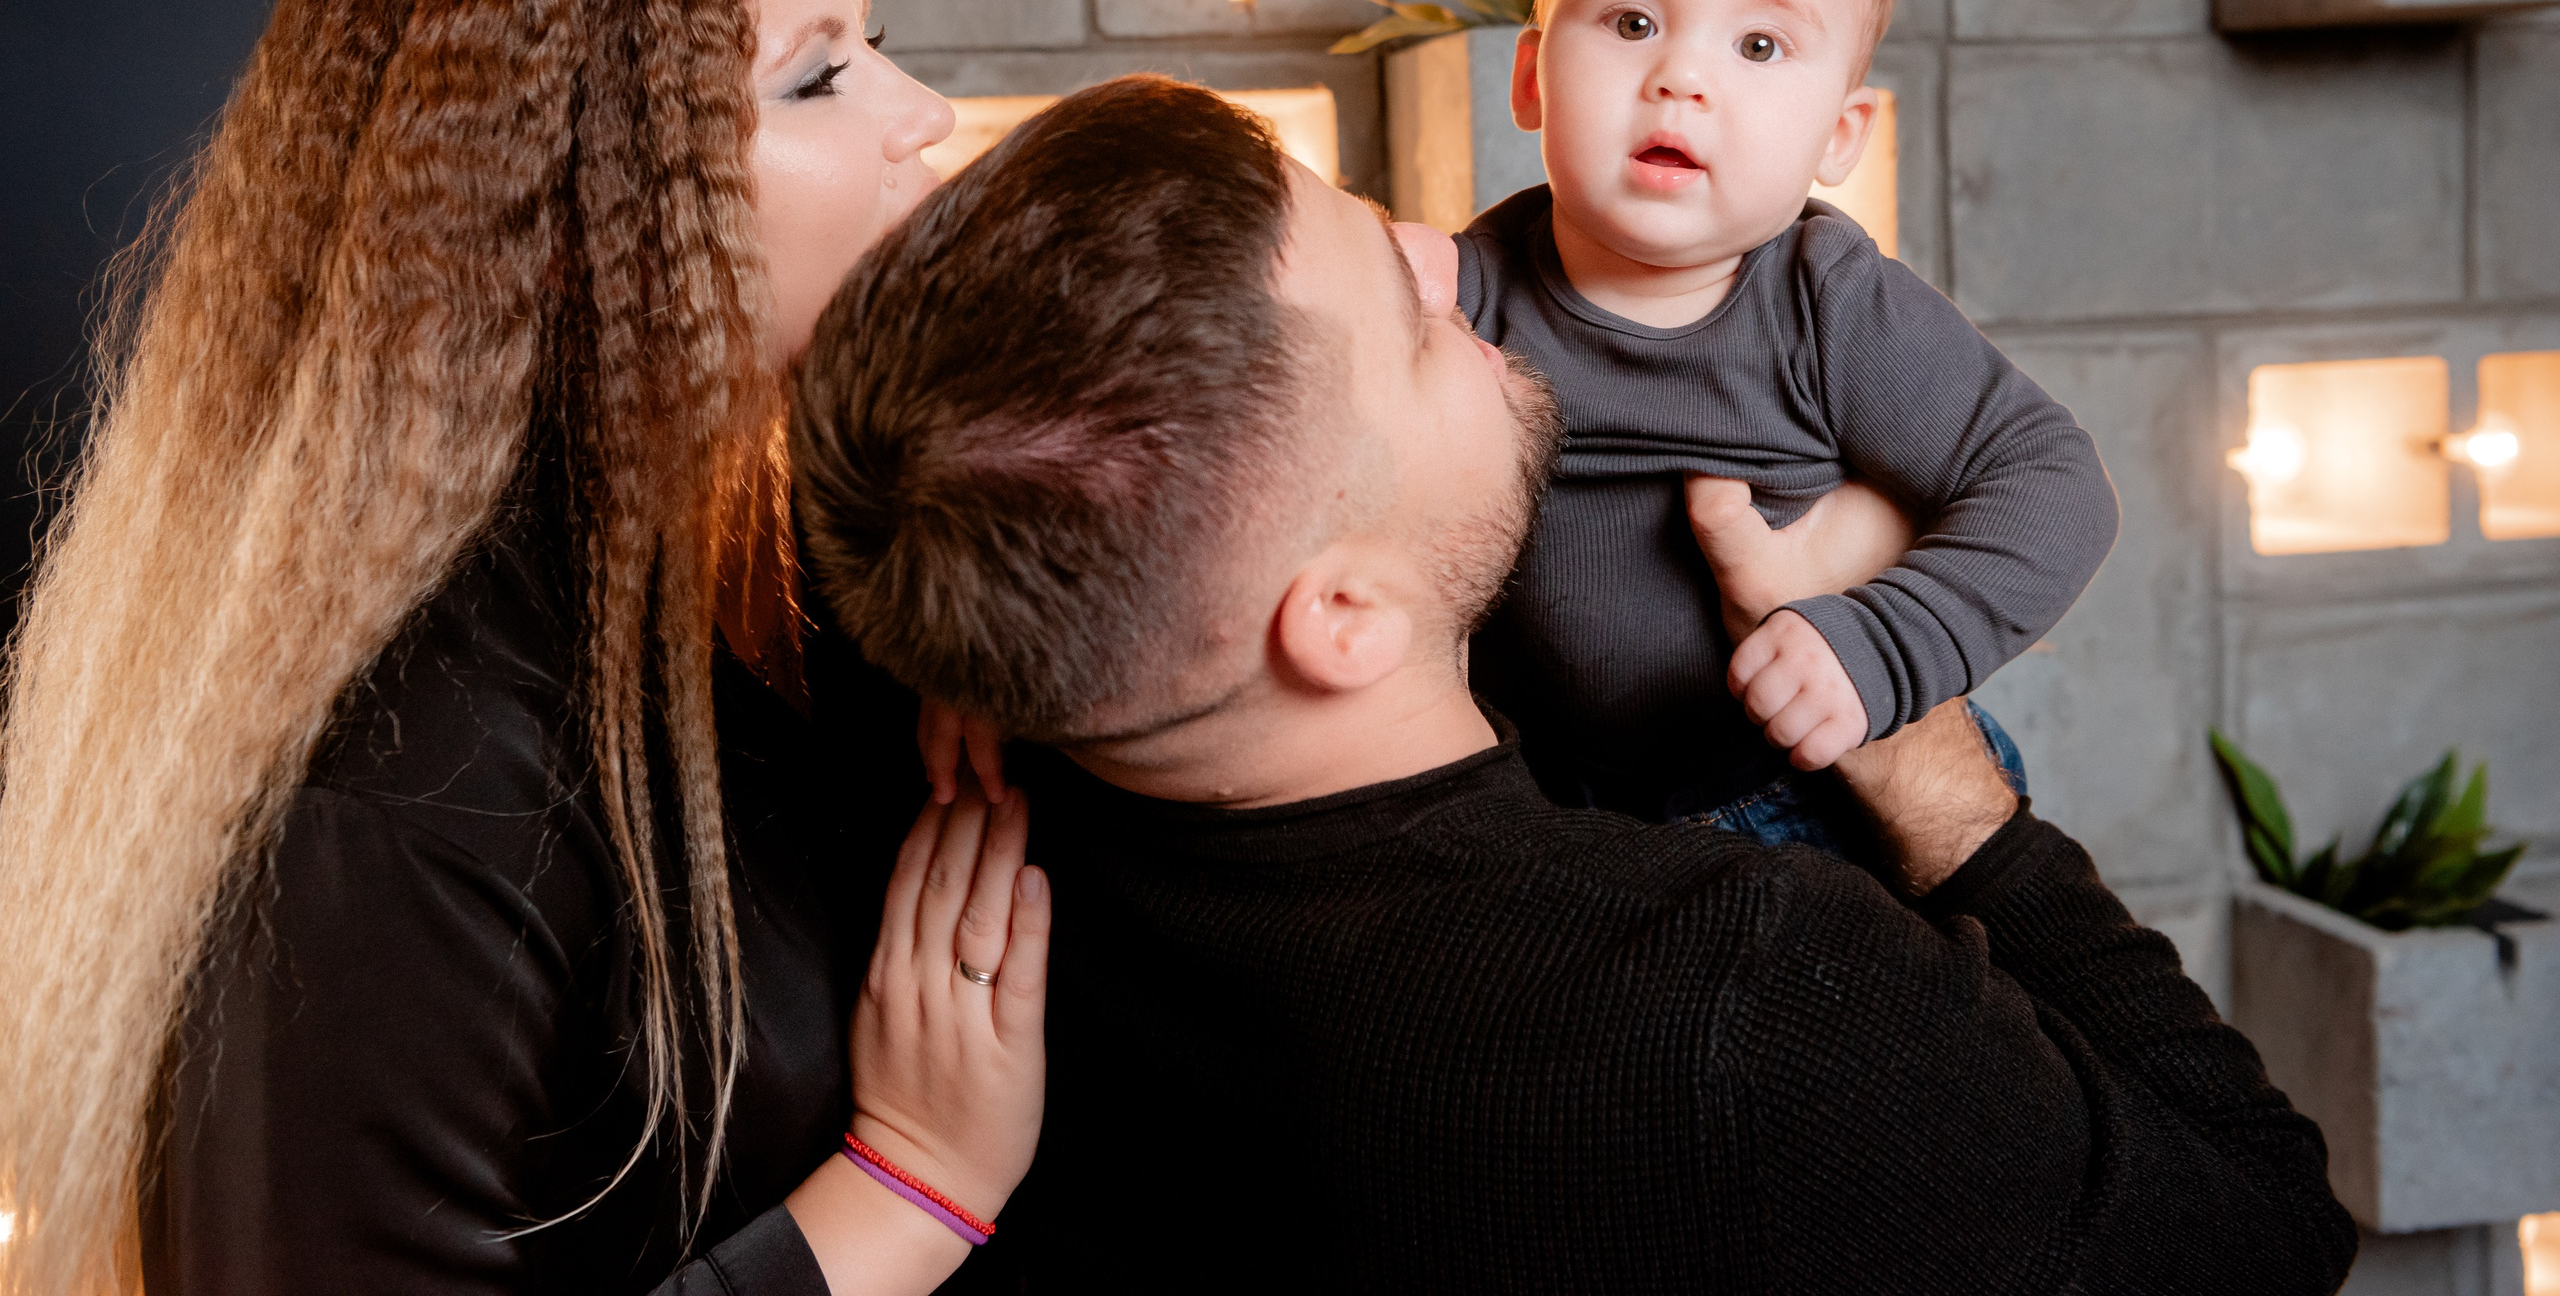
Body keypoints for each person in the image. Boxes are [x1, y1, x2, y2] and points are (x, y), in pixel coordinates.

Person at [790, 76, 2359, 1294]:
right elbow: (2268, 1233)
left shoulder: (937, 770)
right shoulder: (1746, 1001)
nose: (1443, 255)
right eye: (1405, 322)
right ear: (1335, 613)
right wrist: (1926, 759)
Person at [0, 0, 1042, 1296]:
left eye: (876, 45)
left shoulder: (783, 561)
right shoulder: (404, 778)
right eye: (815, 78)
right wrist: (910, 1186)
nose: (926, 113)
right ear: (570, 221)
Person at [1438, 0, 2119, 840]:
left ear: (1838, 134)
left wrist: (1881, 642)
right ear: (1531, 77)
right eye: (1632, 22)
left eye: (1759, 43)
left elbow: (2052, 482)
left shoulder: (1826, 303)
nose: (1682, 76)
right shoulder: (1471, 284)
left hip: (1798, 797)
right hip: (1553, 810)